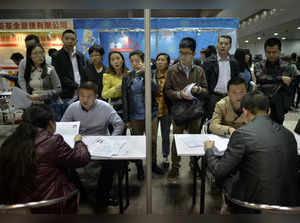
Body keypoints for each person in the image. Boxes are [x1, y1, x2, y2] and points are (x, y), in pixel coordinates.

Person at [204, 91, 299, 213]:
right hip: (289, 203)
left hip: (251, 203)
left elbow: (218, 171)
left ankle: (227, 209)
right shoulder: (288, 134)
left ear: (245, 111)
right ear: (268, 111)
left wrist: (209, 150)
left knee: (224, 177)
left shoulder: (242, 134)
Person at [0, 104, 90, 214]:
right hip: (50, 203)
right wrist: (78, 142)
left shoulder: (10, 142)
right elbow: (81, 159)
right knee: (71, 173)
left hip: (15, 204)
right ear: (50, 123)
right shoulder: (53, 141)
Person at [61, 81, 124, 207]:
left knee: (112, 163)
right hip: (80, 143)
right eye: (82, 96)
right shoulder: (73, 107)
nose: (85, 99)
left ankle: (103, 195)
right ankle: (80, 192)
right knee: (65, 163)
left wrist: (112, 139)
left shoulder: (105, 107)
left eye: (89, 96)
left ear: (96, 96)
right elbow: (63, 127)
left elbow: (119, 124)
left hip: (102, 141)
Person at [164, 37, 208, 181]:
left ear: (194, 53)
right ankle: (175, 167)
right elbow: (167, 91)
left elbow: (206, 91)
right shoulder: (172, 70)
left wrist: (198, 89)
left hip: (195, 111)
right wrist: (179, 94)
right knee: (177, 140)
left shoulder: (199, 70)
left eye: (187, 53)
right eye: (181, 53)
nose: (183, 56)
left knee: (195, 140)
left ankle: (194, 165)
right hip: (179, 111)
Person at [122, 50, 163, 179]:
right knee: (137, 142)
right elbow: (125, 98)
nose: (134, 64)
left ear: (143, 61)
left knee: (152, 141)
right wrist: (126, 119)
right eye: (132, 61)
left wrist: (146, 74)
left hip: (151, 114)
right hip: (135, 116)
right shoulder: (127, 77)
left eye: (137, 61)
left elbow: (156, 90)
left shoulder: (150, 74)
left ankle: (153, 164)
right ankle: (139, 167)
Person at [254, 38, 295, 124]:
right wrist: (280, 78)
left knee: (277, 132)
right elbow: (260, 77)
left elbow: (285, 86)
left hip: (279, 106)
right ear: (265, 52)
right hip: (261, 104)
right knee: (260, 130)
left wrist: (264, 84)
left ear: (280, 51)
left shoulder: (287, 66)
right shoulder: (259, 65)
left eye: (274, 52)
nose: (271, 55)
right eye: (268, 52)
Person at [18, 43, 62, 121]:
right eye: (35, 53)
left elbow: (58, 90)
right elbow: (27, 88)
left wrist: (40, 96)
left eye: (41, 52)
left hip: (50, 106)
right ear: (30, 56)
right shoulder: (28, 71)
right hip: (35, 107)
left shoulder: (50, 69)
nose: (39, 55)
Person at [202, 35, 240, 119]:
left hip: (229, 98)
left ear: (230, 46)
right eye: (221, 43)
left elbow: (237, 81)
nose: (223, 46)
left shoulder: (234, 62)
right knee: (213, 123)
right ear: (217, 45)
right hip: (213, 98)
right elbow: (203, 82)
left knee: (229, 122)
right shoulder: (208, 62)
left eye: (226, 44)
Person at [52, 29, 88, 114]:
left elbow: (84, 73)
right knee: (67, 121)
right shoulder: (56, 56)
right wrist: (77, 86)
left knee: (82, 120)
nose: (69, 41)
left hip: (82, 94)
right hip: (66, 94)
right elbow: (58, 76)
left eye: (72, 39)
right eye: (67, 38)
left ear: (76, 41)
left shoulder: (80, 55)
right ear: (62, 39)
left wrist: (83, 86)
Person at [153, 53, 172, 168]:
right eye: (158, 60)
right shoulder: (151, 74)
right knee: (152, 137)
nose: (159, 62)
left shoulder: (171, 75)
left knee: (165, 136)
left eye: (162, 60)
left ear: (167, 62)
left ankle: (165, 157)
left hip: (166, 110)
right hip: (153, 110)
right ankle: (152, 159)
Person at [102, 51, 129, 121]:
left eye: (118, 58)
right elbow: (104, 94)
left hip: (129, 107)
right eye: (113, 60)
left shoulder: (129, 74)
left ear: (122, 60)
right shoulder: (107, 76)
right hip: (115, 108)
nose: (116, 61)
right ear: (110, 63)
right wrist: (115, 89)